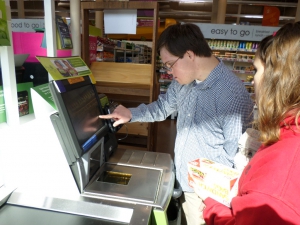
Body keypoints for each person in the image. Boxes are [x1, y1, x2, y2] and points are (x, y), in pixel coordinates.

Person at [99, 23, 254, 225]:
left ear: (189, 55)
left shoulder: (231, 95)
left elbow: (237, 156)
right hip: (182, 181)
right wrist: (131, 113)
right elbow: (164, 107)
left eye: (170, 64)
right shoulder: (184, 82)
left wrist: (219, 200)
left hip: (206, 197)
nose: (169, 72)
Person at [195, 22, 300, 224]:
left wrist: (212, 205)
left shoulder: (281, 177)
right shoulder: (288, 132)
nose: (253, 80)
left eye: (256, 70)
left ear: (277, 77)